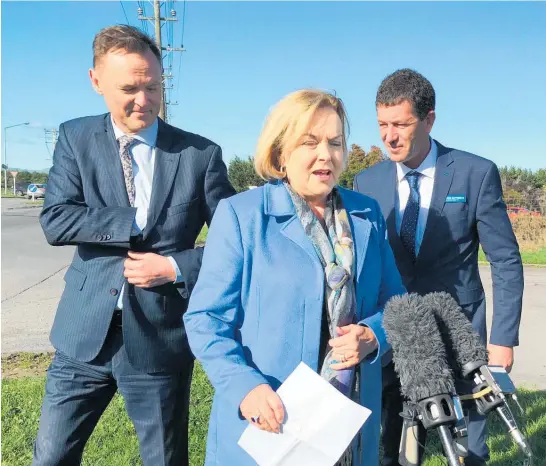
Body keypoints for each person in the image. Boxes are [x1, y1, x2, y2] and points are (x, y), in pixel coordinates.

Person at [33, 25, 235, 465]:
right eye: (129, 88)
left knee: (163, 459)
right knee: (50, 456)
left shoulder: (199, 156)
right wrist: (133, 221)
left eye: (152, 86)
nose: (143, 100)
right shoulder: (75, 138)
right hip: (83, 336)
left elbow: (233, 243)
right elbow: (56, 218)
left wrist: (175, 267)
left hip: (159, 337)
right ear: (96, 81)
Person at [183, 89, 406, 466]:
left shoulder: (366, 213)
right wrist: (245, 387)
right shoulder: (242, 216)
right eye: (310, 142)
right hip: (269, 422)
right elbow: (205, 320)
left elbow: (397, 302)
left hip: (349, 422)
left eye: (335, 142)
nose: (326, 154)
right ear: (280, 152)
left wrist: (373, 335)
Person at [353, 68, 524, 466]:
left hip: (460, 333)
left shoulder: (475, 173)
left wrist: (502, 338)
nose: (389, 136)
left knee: (467, 450)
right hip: (392, 333)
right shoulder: (367, 183)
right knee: (389, 445)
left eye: (401, 124)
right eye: (381, 124)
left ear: (429, 119)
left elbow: (505, 260)